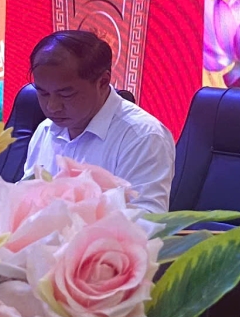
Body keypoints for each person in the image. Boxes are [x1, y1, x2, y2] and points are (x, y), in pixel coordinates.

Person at [23, 30, 175, 211]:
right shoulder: (46, 130)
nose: (52, 106)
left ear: (103, 82)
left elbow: (146, 219)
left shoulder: (143, 137)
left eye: (66, 94)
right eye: (43, 93)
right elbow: (26, 198)